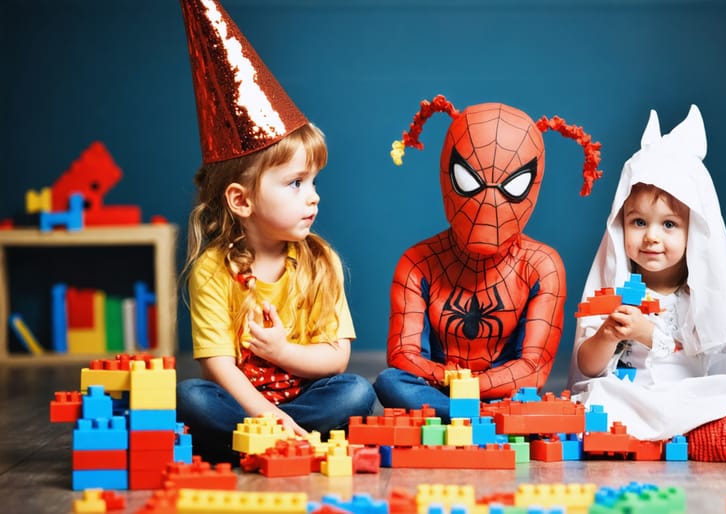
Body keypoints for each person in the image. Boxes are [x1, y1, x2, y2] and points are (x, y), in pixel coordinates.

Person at [175, 0, 374, 464]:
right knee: (192, 397)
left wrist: (283, 351)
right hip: (245, 405)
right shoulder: (212, 269)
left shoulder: (318, 263)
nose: (314, 197)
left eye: (314, 182)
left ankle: (266, 441)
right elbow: (217, 364)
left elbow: (336, 359)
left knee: (355, 393)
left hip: (304, 398)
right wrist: (265, 412)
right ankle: (280, 438)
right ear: (241, 201)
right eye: (295, 183)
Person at [568, 105, 726, 462]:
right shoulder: (614, 292)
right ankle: (682, 440)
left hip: (685, 396)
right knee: (597, 398)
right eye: (638, 222)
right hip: (630, 397)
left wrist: (647, 331)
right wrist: (607, 334)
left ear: (693, 232)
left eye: (668, 225)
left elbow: (697, 354)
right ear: (620, 226)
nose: (651, 237)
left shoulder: (695, 297)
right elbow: (586, 367)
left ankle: (700, 435)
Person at [375, 95, 603, 421]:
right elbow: (403, 355)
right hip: (441, 387)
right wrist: (454, 382)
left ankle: (459, 414)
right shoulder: (418, 261)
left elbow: (532, 368)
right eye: (469, 181)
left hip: (499, 390)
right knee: (390, 383)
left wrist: (473, 385)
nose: (489, 202)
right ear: (447, 175)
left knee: (525, 396)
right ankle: (484, 418)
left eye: (512, 185)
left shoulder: (541, 265)